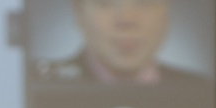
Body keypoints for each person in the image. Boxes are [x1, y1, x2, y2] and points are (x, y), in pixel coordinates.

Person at [33, 0, 206, 85]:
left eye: (144, 2)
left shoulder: (202, 90)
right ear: (79, 14)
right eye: (106, 3)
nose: (127, 20)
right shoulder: (37, 85)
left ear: (167, 14)